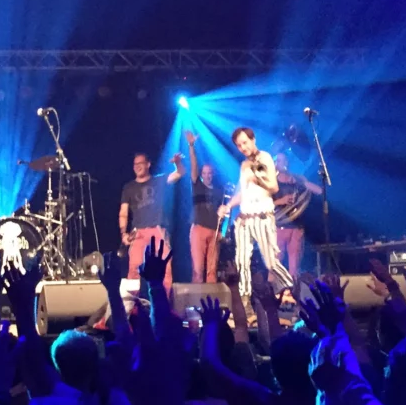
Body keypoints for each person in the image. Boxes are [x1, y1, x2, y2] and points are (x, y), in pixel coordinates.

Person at [218, 127, 294, 303]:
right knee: (242, 262)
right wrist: (228, 205)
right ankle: (243, 303)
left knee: (271, 263)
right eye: (239, 145)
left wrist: (256, 178)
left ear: (253, 140)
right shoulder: (244, 165)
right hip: (245, 219)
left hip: (263, 217)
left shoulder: (265, 157)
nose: (243, 147)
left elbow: (274, 187)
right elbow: (242, 192)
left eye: (245, 142)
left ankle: (294, 289)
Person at [118, 150, 185, 290]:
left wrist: (178, 163)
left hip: (157, 230)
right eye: (135, 164)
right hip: (138, 233)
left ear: (148, 164)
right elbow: (123, 213)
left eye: (140, 163)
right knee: (134, 269)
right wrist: (124, 233)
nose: (137, 166)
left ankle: (163, 305)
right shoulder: (129, 187)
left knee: (164, 267)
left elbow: (179, 173)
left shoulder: (158, 180)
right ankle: (133, 307)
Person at [272, 151, 322, 281]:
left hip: (296, 228)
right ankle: (273, 294)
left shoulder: (297, 181)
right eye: (278, 161)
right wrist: (281, 201)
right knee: (275, 264)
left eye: (283, 161)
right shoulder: (272, 184)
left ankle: (294, 293)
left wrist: (305, 183)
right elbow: (262, 204)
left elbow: (318, 190)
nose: (281, 164)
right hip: (279, 227)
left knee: (294, 265)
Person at [185, 131, 224, 283]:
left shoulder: (220, 191)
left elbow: (223, 213)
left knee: (212, 269)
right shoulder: (197, 185)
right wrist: (191, 145)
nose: (207, 175)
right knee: (198, 268)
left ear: (213, 174)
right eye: (205, 173)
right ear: (201, 174)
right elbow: (193, 165)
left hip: (214, 231)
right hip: (198, 228)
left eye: (210, 173)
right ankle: (197, 301)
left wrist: (221, 231)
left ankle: (211, 302)